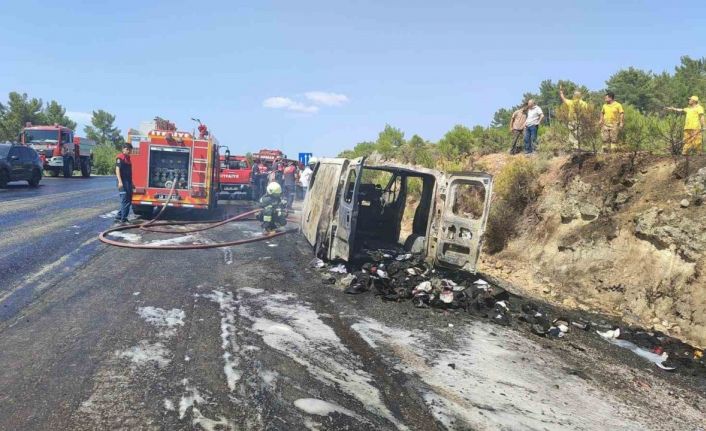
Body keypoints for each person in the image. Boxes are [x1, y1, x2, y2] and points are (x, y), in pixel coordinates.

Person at [114, 143, 133, 224]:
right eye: (127, 149)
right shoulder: (120, 158)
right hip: (122, 183)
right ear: (123, 149)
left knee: (128, 200)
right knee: (125, 201)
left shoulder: (128, 158)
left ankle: (119, 216)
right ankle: (123, 219)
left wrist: (132, 183)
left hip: (128, 183)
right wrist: (120, 182)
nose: (129, 151)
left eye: (130, 149)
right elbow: (117, 170)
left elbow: (129, 173)